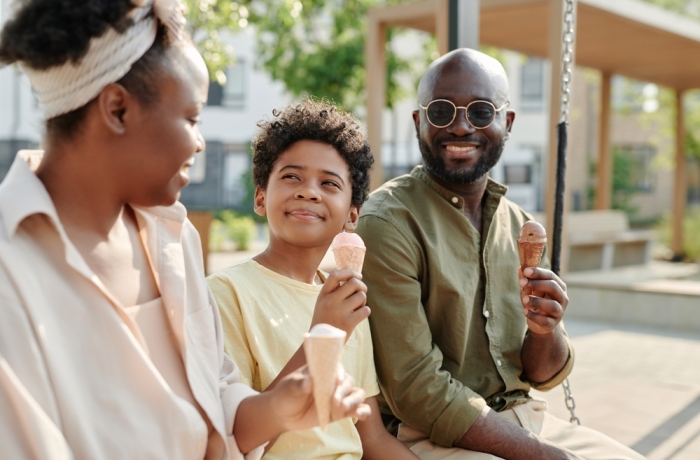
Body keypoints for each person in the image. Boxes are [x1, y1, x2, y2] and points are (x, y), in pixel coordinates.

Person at [0, 2, 370, 459]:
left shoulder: (172, 239)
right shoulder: (10, 271)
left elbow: (216, 409)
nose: (199, 142)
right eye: (192, 117)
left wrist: (278, 409)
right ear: (118, 109)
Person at [355, 48, 646, 460]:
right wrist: (544, 456)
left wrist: (546, 330)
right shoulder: (388, 223)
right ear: (419, 122)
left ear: (505, 123)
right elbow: (417, 390)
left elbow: (541, 376)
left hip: (526, 419)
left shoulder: (521, 225)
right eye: (440, 111)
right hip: (430, 436)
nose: (459, 126)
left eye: (479, 111)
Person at [207, 99, 419, 460]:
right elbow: (236, 440)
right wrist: (323, 335)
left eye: (329, 183)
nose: (308, 191)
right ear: (260, 197)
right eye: (291, 176)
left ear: (352, 214)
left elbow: (371, 438)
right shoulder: (225, 294)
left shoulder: (347, 298)